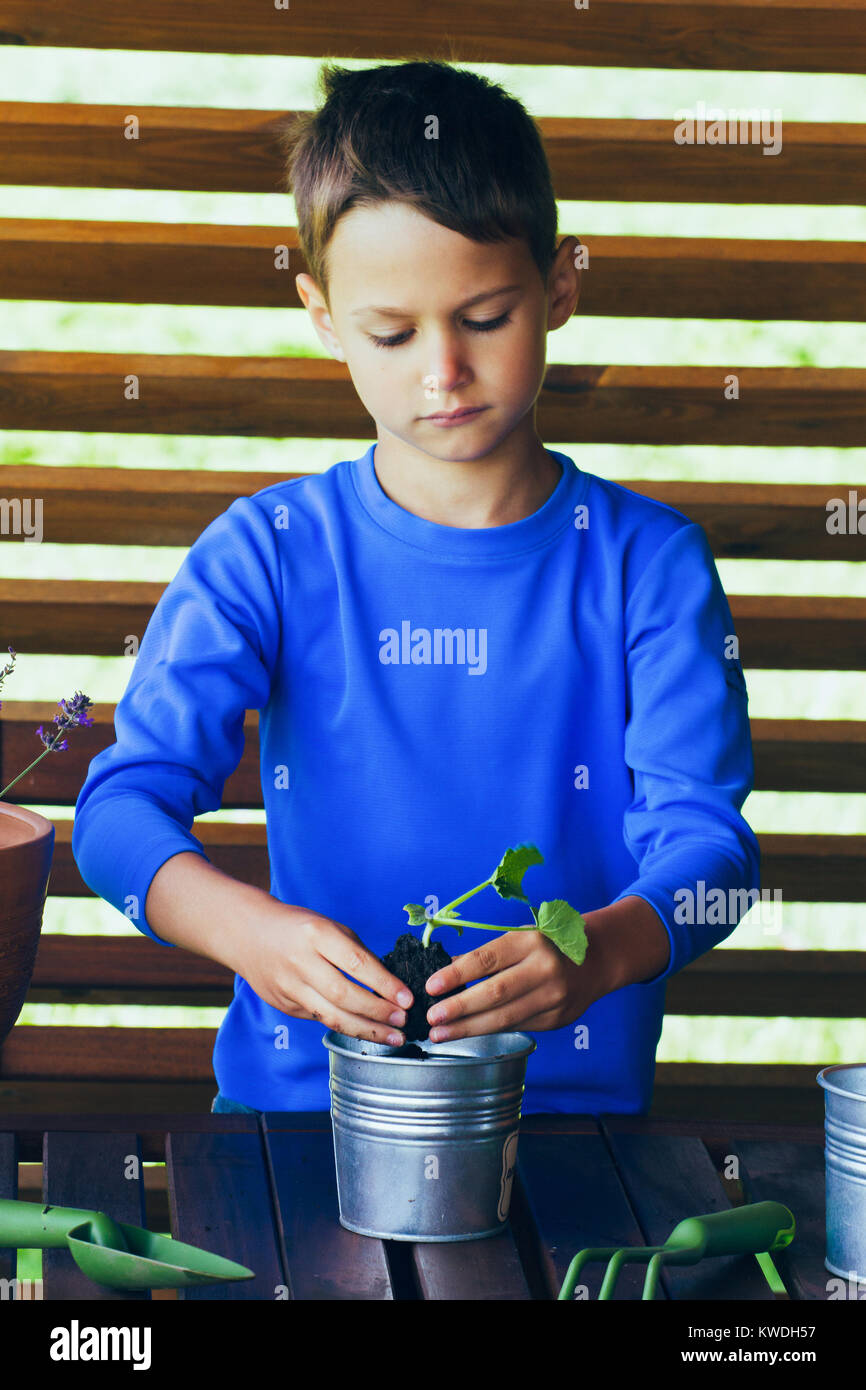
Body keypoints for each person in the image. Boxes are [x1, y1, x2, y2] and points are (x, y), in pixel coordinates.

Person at [72, 59, 760, 1118]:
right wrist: (246, 931)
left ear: (559, 287)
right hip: (303, 1112)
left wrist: (598, 954)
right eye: (390, 333)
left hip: (567, 1119)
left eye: (483, 317)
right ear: (322, 316)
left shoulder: (646, 564)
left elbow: (708, 846)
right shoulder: (267, 552)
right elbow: (119, 811)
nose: (441, 369)